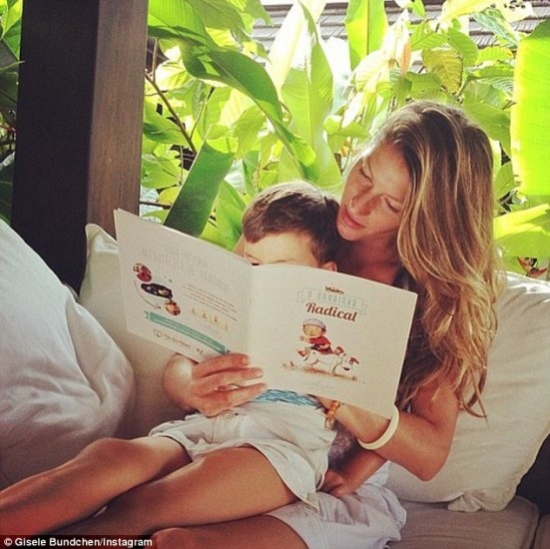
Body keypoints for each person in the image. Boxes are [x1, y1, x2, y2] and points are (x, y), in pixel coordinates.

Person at [148, 100, 505, 548]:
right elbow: (192, 350)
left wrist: (335, 396)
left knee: (179, 542)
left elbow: (430, 453)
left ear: (426, 221)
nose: (359, 202)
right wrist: (190, 387)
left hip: (326, 484)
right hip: (233, 443)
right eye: (365, 173)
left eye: (391, 203)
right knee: (132, 502)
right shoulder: (301, 228)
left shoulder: (431, 304)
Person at [0, 181, 384, 536]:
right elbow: (179, 366)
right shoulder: (233, 317)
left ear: (325, 274)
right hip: (204, 427)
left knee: (146, 503)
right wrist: (189, 388)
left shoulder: (341, 332)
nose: (261, 281)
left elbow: (384, 423)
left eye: (281, 272)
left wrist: (352, 472)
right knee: (110, 458)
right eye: (252, 266)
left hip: (280, 449)